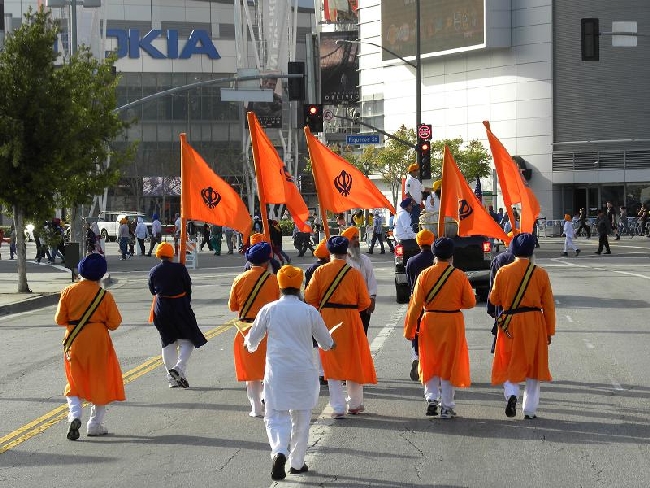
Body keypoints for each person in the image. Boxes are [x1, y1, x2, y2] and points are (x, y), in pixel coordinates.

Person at [244, 265, 335, 481]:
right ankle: (296, 463)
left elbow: (252, 342)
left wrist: (249, 344)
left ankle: (279, 451)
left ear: (280, 285)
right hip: (303, 372)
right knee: (301, 420)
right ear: (300, 285)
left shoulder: (269, 309)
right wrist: (332, 343)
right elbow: (326, 341)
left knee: (276, 417)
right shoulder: (309, 311)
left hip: (278, 373)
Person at [304, 236, 377, 418]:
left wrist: (324, 306)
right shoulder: (354, 274)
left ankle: (337, 406)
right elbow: (365, 302)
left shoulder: (320, 271)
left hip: (327, 319)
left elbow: (309, 297)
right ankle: (355, 403)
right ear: (347, 252)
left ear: (330, 252)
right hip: (351, 318)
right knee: (354, 360)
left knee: (331, 362)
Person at [55, 253, 125, 439]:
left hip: (75, 341)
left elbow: (60, 319)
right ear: (101, 274)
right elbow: (115, 323)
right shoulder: (104, 295)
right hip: (98, 342)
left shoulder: (68, 291)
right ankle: (94, 424)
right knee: (100, 381)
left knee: (74, 380)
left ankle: (75, 415)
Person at [404, 237, 476, 418]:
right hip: (453, 322)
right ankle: (447, 406)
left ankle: (431, 398)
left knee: (430, 361)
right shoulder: (459, 275)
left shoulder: (425, 275)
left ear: (434, 255)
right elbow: (470, 302)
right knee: (449, 363)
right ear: (452, 255)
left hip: (429, 321)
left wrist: (410, 329)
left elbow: (415, 305)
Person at [489, 233, 555, 419]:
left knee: (510, 361)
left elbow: (494, 298)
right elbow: (548, 305)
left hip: (510, 322)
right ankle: (529, 410)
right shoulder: (541, 273)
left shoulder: (503, 271)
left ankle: (511, 395)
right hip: (534, 322)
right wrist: (549, 330)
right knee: (533, 366)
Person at [229, 242, 280, 417]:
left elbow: (232, 306)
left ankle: (256, 408)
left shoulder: (239, 279)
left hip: (245, 328)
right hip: (268, 329)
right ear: (267, 262)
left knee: (251, 372)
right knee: (269, 369)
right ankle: (270, 405)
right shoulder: (274, 280)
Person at [148, 242, 207, 388]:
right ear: (171, 254)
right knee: (188, 339)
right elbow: (188, 286)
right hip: (180, 306)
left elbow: (152, 289)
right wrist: (186, 301)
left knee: (167, 342)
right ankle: (179, 367)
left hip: (161, 308)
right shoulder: (180, 268)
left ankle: (172, 379)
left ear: (158, 255)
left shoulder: (154, 271)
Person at [404, 229, 435, 382]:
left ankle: (416, 356)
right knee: (432, 334)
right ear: (432, 241)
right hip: (435, 303)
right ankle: (431, 363)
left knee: (416, 332)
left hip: (416, 302)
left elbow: (410, 283)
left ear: (418, 242)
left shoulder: (411, 261)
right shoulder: (436, 261)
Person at [341, 226, 377, 336]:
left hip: (364, 304)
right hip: (347, 307)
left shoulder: (365, 259)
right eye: (353, 238)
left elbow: (371, 280)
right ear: (347, 241)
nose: (357, 241)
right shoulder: (342, 262)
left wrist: (372, 298)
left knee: (362, 335)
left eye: (357, 238)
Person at [486, 245, 516, 354]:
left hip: (503, 311)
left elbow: (493, 287)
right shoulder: (535, 270)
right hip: (527, 318)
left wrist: (490, 308)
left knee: (503, 351)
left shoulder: (500, 259)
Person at [404, 164, 423, 230]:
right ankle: (413, 237)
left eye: (418, 170)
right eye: (416, 170)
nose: (418, 172)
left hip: (417, 204)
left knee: (416, 221)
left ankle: (415, 236)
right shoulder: (409, 180)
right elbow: (407, 193)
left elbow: (423, 189)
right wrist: (412, 200)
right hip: (413, 204)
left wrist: (434, 188)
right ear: (412, 171)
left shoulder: (416, 180)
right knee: (414, 221)